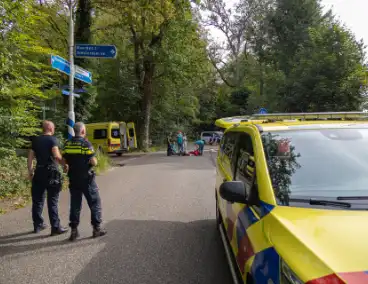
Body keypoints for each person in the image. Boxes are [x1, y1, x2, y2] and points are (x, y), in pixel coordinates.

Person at [62, 122, 107, 241]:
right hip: (86, 180)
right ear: (82, 131)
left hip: (73, 179)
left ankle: (74, 231)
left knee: (75, 205)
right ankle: (96, 229)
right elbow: (93, 162)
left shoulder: (68, 144)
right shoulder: (86, 144)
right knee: (94, 203)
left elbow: (64, 160)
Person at [27, 121, 68, 235]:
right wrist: (64, 164)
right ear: (50, 128)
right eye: (53, 127)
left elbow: (30, 158)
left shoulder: (35, 141)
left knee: (37, 201)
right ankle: (55, 227)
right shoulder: (52, 140)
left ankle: (38, 225)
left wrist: (30, 172)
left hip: (39, 172)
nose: (54, 129)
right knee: (52, 201)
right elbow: (56, 155)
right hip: (51, 173)